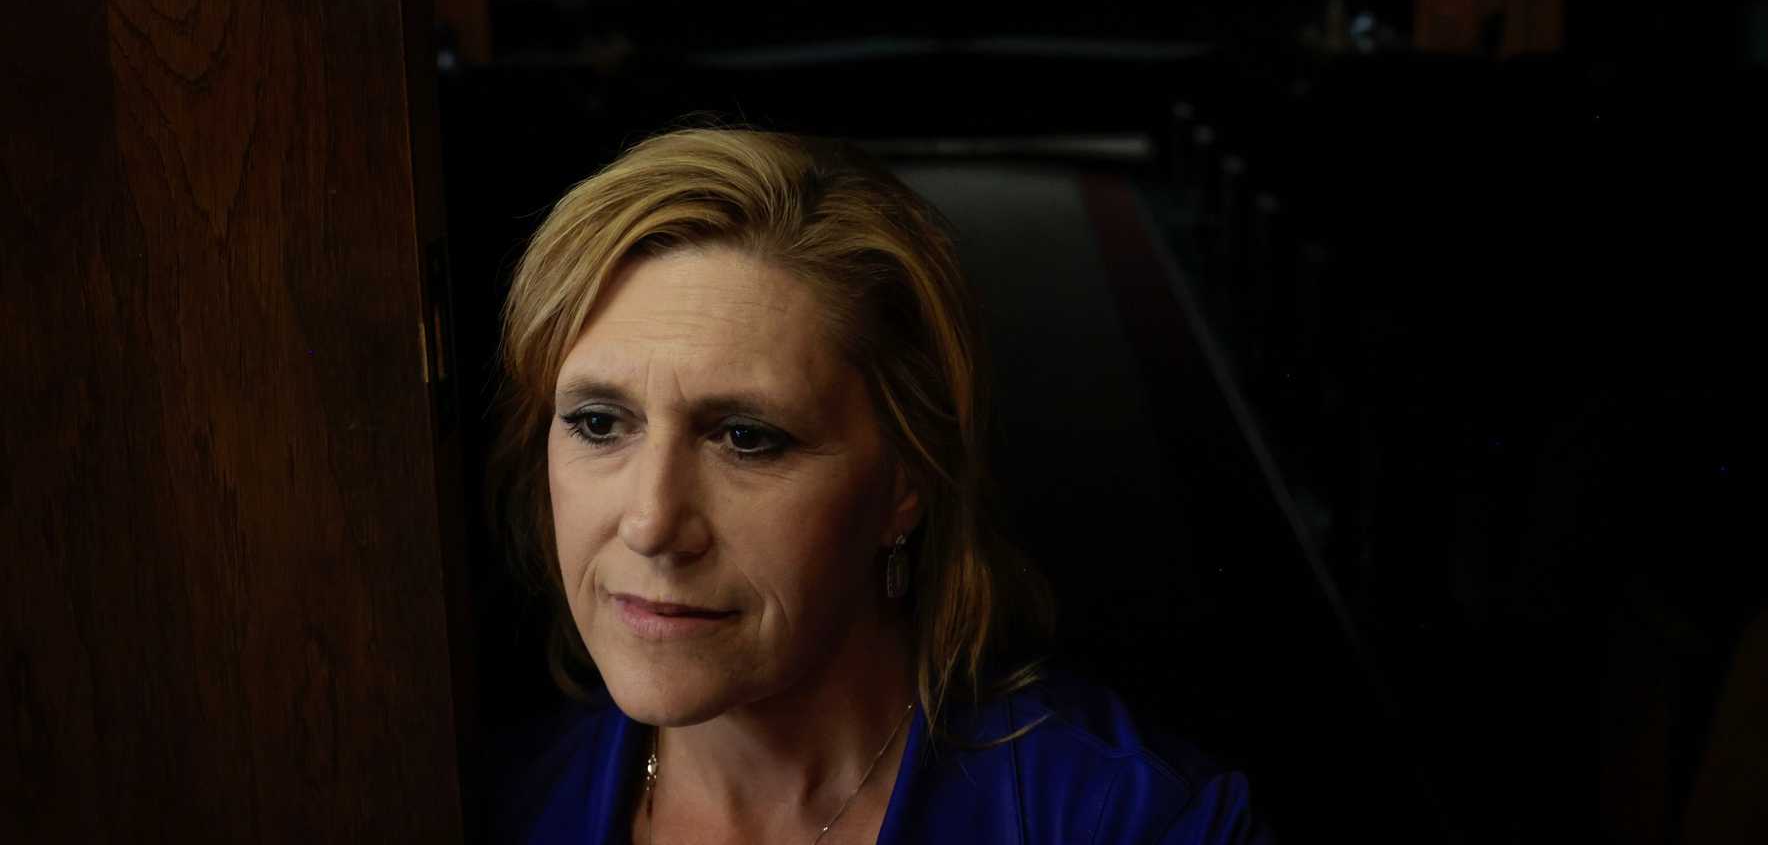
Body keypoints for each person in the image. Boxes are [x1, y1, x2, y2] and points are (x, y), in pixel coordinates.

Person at [481, 127, 1274, 843]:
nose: (652, 522)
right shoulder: (485, 802)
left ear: (908, 480)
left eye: (747, 438)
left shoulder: (1138, 825)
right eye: (597, 423)